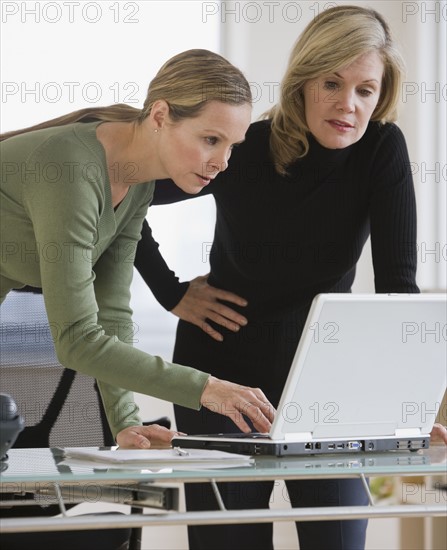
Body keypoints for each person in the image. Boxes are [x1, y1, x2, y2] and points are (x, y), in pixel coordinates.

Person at [133, 6, 445, 550]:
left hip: (327, 387)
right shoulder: (243, 147)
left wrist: (410, 410)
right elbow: (125, 195)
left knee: (339, 538)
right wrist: (171, 291)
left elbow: (398, 286)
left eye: (366, 90)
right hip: (220, 378)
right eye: (332, 82)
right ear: (304, 80)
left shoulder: (380, 151)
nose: (348, 104)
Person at [0, 49, 274, 452]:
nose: (222, 162)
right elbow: (75, 339)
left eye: (231, 146)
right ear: (161, 116)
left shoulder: (138, 183)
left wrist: (127, 423)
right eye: (211, 140)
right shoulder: (71, 171)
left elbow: (110, 313)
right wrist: (205, 388)